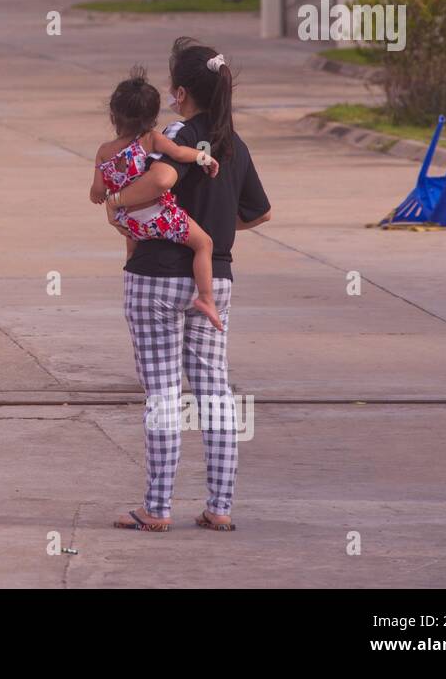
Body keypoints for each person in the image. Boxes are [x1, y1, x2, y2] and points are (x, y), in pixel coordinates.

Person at [105, 37, 271, 533]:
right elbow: (260, 213)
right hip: (213, 281)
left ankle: (157, 508)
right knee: (215, 394)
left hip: (156, 278)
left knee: (163, 395)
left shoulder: (175, 133)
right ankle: (220, 507)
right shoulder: (233, 144)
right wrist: (216, 229)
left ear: (180, 92)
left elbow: (159, 180)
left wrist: (118, 203)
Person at [90, 67, 223, 331]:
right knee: (204, 244)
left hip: (129, 221)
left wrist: (104, 197)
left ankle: (131, 272)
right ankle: (206, 298)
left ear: (112, 115)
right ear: (152, 117)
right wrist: (202, 157)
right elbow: (180, 152)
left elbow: (96, 190)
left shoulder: (104, 151)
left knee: (133, 249)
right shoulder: (151, 139)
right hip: (159, 216)